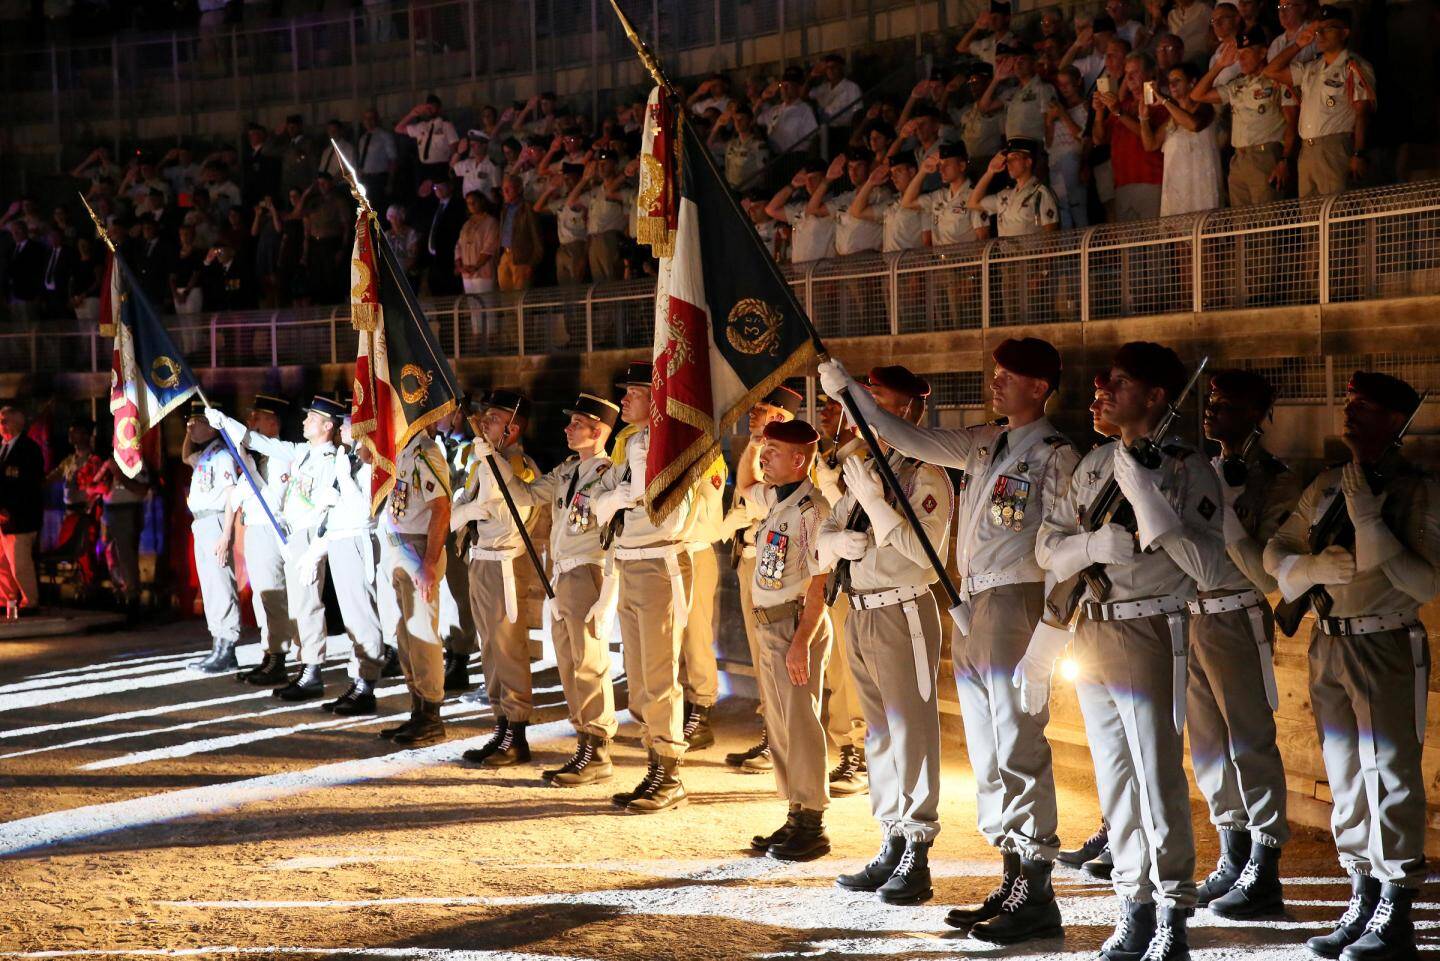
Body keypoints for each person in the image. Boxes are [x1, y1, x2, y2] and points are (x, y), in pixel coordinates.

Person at [823, 340, 1076, 942]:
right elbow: (905, 437)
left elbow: (1066, 545)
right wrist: (849, 394)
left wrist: (1053, 628)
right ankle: (1012, 875)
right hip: (977, 601)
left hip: (1018, 598)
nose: (996, 382)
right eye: (996, 373)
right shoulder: (986, 442)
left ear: (1040, 387)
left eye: (1010, 376)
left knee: (1018, 745)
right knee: (989, 754)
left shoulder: (1054, 453)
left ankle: (1036, 889)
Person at [1034, 342, 1212, 961]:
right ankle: (1133, 902)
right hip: (1093, 626)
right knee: (1115, 780)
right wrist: (1087, 549)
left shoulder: (1185, 467)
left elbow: (1206, 564)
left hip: (1150, 628)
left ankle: (1173, 911)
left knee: (1156, 778)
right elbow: (1046, 546)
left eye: (1120, 383)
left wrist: (1147, 493)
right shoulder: (1093, 463)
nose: (1102, 392)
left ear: (1158, 397)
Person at [1265, 372, 1437, 961]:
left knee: (1389, 775)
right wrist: (1309, 570)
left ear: (1396, 421)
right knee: (1346, 777)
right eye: (1348, 404)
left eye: (1364, 407)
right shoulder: (1330, 484)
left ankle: (1397, 909)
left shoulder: (1418, 493)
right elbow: (1276, 551)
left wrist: (1371, 524)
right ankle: (1363, 894)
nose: (1350, 414)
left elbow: (1426, 582)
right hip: (1329, 644)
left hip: (1386, 643)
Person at [815, 365, 953, 906]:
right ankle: (891, 836)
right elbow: (833, 523)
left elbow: (927, 555)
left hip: (903, 611)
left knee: (911, 733)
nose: (866, 414)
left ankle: (917, 850)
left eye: (883, 404)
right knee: (878, 736)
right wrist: (835, 543)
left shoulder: (924, 472)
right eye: (865, 403)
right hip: (862, 610)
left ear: (911, 412)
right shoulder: (865, 465)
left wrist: (873, 505)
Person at [1187, 369, 1299, 918]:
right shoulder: (1199, 467)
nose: (1213, 412)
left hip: (1237, 613)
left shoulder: (1272, 479)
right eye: (1211, 402)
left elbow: (1266, 565)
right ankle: (1232, 853)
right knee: (1207, 745)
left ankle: (1265, 866)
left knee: (1250, 743)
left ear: (1257, 414)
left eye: (1227, 405)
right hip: (1194, 614)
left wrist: (1227, 504)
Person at [592, 362, 696, 813]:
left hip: (658, 563)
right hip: (630, 563)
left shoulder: (672, 447)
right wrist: (625, 493)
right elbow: (599, 506)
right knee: (637, 682)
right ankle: (655, 764)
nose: (625, 401)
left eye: (633, 392)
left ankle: (669, 772)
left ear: (655, 399)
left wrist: (639, 490)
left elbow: (672, 517)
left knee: (658, 677)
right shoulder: (631, 445)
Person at [503, 393, 621, 785]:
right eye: (569, 423)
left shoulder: (609, 475)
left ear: (598, 431)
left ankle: (597, 747)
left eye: (576, 424)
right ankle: (583, 739)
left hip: (588, 573)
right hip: (561, 574)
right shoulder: (567, 471)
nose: (567, 429)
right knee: (568, 662)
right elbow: (524, 495)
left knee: (588, 660)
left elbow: (616, 533)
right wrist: (495, 465)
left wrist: (608, 594)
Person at [736, 418, 835, 861]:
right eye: (764, 449)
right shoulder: (777, 502)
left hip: (796, 624)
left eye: (773, 451)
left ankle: (812, 822)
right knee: (780, 724)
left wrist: (801, 641)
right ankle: (796, 814)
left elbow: (820, 582)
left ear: (800, 459)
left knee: (800, 723)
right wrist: (755, 439)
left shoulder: (812, 511)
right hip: (771, 624)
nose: (764, 457)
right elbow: (744, 484)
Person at [206, 396, 344, 702]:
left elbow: (326, 507)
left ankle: (312, 671)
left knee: (307, 606)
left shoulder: (332, 459)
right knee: (297, 604)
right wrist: (225, 423)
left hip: (309, 536)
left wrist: (314, 547)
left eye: (312, 418)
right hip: (296, 535)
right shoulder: (304, 452)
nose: (305, 421)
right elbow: (261, 443)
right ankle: (304, 667)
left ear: (327, 426)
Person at [457, 390, 542, 767]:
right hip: (482, 561)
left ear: (513, 427)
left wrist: (475, 506)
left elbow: (505, 517)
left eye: (493, 419)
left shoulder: (518, 466)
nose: (483, 423)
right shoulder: (484, 464)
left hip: (504, 563)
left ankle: (517, 732)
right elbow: (459, 514)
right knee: (490, 650)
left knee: (508, 650)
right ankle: (501, 724)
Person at [724, 386, 803, 774]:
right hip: (758, 566)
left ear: (783, 417)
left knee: (795, 662)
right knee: (763, 657)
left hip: (791, 580)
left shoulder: (800, 463)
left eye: (763, 410)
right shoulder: (765, 458)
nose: (753, 415)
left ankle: (800, 741)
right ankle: (773, 734)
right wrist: (755, 444)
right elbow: (748, 489)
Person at [371, 425, 452, 747]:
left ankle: (431, 715)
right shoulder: (402, 451)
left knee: (422, 636)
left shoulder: (426, 452)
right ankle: (418, 709)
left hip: (418, 550)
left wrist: (429, 563)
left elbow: (441, 508)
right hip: (398, 548)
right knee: (405, 636)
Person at [811, 395, 869, 796]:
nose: (824, 413)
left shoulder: (863, 456)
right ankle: (845, 746)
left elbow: (852, 516)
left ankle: (861, 755)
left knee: (852, 668)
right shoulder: (826, 456)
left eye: (833, 406)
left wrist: (832, 486)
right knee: (835, 669)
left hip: (855, 575)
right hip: (828, 571)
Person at [1265, 6, 1376, 198]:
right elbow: (1271, 71)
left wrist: (1358, 153)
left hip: (1335, 147)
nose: (1321, 34)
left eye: (1329, 28)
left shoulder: (1352, 66)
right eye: (1318, 29)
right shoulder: (1311, 68)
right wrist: (1298, 44)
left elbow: (1362, 113)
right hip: (1307, 150)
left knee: (1336, 216)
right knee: (1311, 219)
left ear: (1344, 33)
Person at [319, 413, 389, 716]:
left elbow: (365, 512)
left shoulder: (371, 464)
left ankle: (367, 685)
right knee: (351, 617)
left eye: (347, 423)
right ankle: (358, 677)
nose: (342, 427)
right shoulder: (350, 458)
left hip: (358, 542)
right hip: (341, 540)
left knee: (362, 615)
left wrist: (345, 478)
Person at [1192, 28, 1298, 208]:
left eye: (1246, 53)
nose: (1240, 59)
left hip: (1265, 156)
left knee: (1266, 225)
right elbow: (1197, 95)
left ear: (1263, 52)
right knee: (1242, 226)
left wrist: (1284, 160)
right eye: (1239, 54)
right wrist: (1219, 65)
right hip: (1238, 158)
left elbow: (1292, 123)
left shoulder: (1277, 81)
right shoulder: (1237, 85)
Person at [231, 395, 297, 687]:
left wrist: (249, 465)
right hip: (255, 529)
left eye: (255, 418)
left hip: (272, 529)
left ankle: (278, 658)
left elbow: (272, 501)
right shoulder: (258, 457)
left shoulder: (280, 456)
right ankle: (268, 654)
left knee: (273, 597)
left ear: (272, 422)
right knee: (262, 598)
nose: (250, 423)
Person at [182, 400, 242, 672]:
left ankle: (227, 645)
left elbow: (232, 497)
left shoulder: (222, 455)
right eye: (190, 422)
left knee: (220, 584)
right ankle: (217, 644)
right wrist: (187, 433)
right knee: (209, 585)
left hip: (216, 521)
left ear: (212, 428)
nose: (191, 426)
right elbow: (185, 457)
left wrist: (227, 534)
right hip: (201, 523)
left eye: (197, 423)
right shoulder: (205, 454)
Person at [1140, 63, 1222, 217]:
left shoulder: (1205, 107)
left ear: (1192, 82)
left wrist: (1164, 101)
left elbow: (1194, 124)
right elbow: (1151, 145)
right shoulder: (1172, 118)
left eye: (1177, 80)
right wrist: (1143, 118)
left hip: (1200, 185)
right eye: (1170, 81)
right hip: (1177, 188)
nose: (1172, 85)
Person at [1093, 52, 1165, 221]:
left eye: (1135, 72)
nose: (1129, 78)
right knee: (1128, 246)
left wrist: (1119, 113)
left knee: (1154, 244)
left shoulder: (1161, 104)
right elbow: (1098, 139)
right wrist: (1099, 112)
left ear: (1150, 73)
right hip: (1122, 184)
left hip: (1151, 181)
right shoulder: (1122, 105)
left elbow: (1150, 138)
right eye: (1127, 74)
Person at [967, 138, 1061, 237]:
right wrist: (990, 172)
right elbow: (973, 203)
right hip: (1007, 252)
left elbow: (1051, 238)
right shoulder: (1005, 195)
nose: (1009, 163)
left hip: (1031, 252)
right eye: (1007, 160)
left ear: (1028, 162)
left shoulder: (1040, 193)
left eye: (1014, 158)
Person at [568, 148, 632, 284]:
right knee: (599, 286)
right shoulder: (595, 191)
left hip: (611, 239)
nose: (601, 167)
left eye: (605, 163)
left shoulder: (623, 188)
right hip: (594, 240)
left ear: (615, 165)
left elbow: (627, 219)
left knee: (613, 282)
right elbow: (571, 203)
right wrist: (584, 180)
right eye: (599, 164)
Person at [905, 144, 984, 247]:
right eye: (940, 165)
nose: (941, 169)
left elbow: (983, 237)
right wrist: (923, 171)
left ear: (961, 166)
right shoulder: (938, 196)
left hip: (964, 260)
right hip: (940, 261)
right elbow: (907, 202)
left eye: (946, 165)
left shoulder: (974, 196)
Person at [851, 155, 924, 253]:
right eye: (892, 173)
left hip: (913, 264)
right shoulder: (892, 203)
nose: (893, 177)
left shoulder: (923, 201)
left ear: (911, 172)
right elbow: (857, 212)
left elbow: (927, 241)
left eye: (898, 171)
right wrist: (870, 183)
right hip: (891, 265)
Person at [1046, 66, 1090, 228]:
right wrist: (1050, 120)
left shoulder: (1085, 107)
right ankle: (1069, 252)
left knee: (1078, 211)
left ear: (1077, 83)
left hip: (1074, 164)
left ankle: (1085, 250)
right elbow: (1048, 143)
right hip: (1055, 165)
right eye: (1060, 84)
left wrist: (1063, 115)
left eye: (1067, 84)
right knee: (1062, 213)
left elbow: (1084, 137)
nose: (1063, 88)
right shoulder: (1054, 109)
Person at [756, 65, 820, 154]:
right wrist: (762, 98)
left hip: (795, 157)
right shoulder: (775, 110)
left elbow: (813, 137)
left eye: (789, 85)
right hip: (774, 157)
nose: (784, 89)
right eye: (782, 85)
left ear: (798, 88)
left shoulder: (805, 110)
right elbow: (756, 119)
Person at [396, 94, 459, 183]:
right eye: (427, 107)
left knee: (441, 192)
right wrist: (412, 114)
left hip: (440, 167)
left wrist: (452, 167)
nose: (429, 110)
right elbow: (398, 129)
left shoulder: (446, 126)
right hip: (423, 168)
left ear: (439, 109)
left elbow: (454, 146)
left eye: (432, 107)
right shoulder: (422, 126)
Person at [497, 174, 543, 292]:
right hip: (505, 255)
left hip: (522, 257)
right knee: (506, 297)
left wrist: (532, 263)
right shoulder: (505, 209)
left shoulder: (527, 208)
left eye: (509, 188)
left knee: (520, 297)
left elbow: (536, 236)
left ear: (519, 189)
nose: (505, 192)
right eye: (503, 189)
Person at [422, 178, 465, 297]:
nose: (438, 190)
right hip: (434, 260)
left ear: (450, 187)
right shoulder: (434, 207)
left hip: (449, 257)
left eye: (441, 187)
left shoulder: (458, 206)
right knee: (437, 293)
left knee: (451, 293)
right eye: (436, 188)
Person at [454, 191, 500, 297]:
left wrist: (476, 267)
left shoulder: (491, 222)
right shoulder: (467, 224)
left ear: (482, 202)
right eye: (468, 203)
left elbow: (490, 246)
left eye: (474, 202)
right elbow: (458, 245)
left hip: (483, 273)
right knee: (473, 307)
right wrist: (459, 265)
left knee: (487, 305)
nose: (471, 205)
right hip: (466, 273)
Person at [356, 108, 399, 212]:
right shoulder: (363, 138)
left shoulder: (385, 136)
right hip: (365, 178)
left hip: (379, 178)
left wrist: (390, 182)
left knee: (379, 209)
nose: (369, 121)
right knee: (366, 209)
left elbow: (393, 160)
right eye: (366, 119)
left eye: (371, 118)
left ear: (377, 120)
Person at [957, 0, 1019, 65]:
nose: (992, 21)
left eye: (995, 18)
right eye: (990, 18)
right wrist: (975, 27)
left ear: (1007, 18)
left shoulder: (1015, 41)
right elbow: (961, 48)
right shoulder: (987, 42)